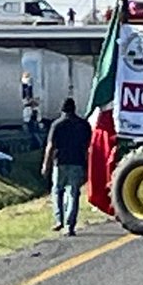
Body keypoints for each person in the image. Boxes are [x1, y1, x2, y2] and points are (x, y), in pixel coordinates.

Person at [43, 97, 92, 236]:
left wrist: (46, 164)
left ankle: (59, 219)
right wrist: (88, 166)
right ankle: (70, 225)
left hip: (60, 162)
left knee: (57, 190)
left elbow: (50, 146)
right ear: (74, 109)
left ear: (62, 110)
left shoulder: (57, 124)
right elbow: (88, 147)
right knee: (73, 193)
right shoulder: (83, 125)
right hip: (77, 162)